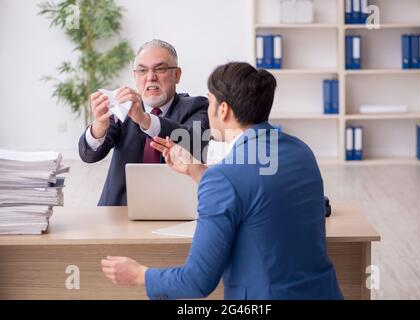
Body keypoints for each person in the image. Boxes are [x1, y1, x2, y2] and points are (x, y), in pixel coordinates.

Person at [101, 62, 343, 300]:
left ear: (224, 110)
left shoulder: (224, 178)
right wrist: (197, 170)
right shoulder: (301, 151)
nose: (207, 110)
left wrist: (140, 275)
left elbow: (196, 282)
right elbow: (255, 194)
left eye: (210, 102)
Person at [78, 39, 209, 206]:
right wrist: (98, 126)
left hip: (172, 210)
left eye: (160, 69)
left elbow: (195, 142)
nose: (150, 77)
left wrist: (145, 120)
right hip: (119, 211)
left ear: (177, 75)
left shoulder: (197, 106)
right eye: (142, 70)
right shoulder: (123, 106)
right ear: (135, 76)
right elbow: (89, 155)